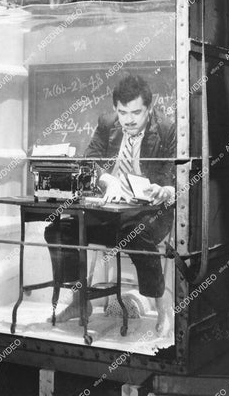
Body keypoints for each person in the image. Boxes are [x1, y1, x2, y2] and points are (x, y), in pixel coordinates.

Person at [44, 74, 176, 335]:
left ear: (149, 108)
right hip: (111, 210)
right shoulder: (107, 123)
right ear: (116, 109)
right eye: (123, 112)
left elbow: (175, 174)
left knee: (135, 234)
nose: (129, 119)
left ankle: (163, 306)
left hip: (150, 212)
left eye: (137, 112)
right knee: (59, 231)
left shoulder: (166, 128)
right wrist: (107, 179)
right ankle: (81, 302)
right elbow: (90, 160)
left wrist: (166, 189)